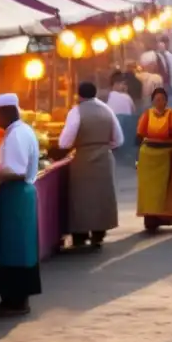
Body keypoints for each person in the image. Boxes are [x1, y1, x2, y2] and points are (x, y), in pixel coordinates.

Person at [0, 93, 42, 315]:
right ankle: (12, 298)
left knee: (16, 247)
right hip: (18, 196)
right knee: (17, 246)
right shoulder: (19, 131)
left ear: (3, 112)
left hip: (17, 195)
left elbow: (16, 171)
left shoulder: (17, 135)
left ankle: (16, 301)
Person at [58, 82, 124, 248]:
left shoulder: (76, 112)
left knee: (82, 198)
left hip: (83, 158)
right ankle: (99, 233)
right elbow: (119, 139)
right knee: (101, 197)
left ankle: (81, 234)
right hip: (104, 157)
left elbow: (65, 142)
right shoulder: (106, 110)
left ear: (78, 95)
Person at [136, 87, 172, 232]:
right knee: (148, 189)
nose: (160, 102)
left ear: (166, 101)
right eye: (157, 99)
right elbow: (140, 133)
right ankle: (150, 218)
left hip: (165, 155)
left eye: (162, 99)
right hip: (148, 157)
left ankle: (164, 217)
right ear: (152, 101)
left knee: (165, 188)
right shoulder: (147, 114)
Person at [157, 36, 172, 107]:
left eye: (167, 42)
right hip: (164, 86)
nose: (166, 44)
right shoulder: (157, 56)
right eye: (164, 42)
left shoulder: (170, 55)